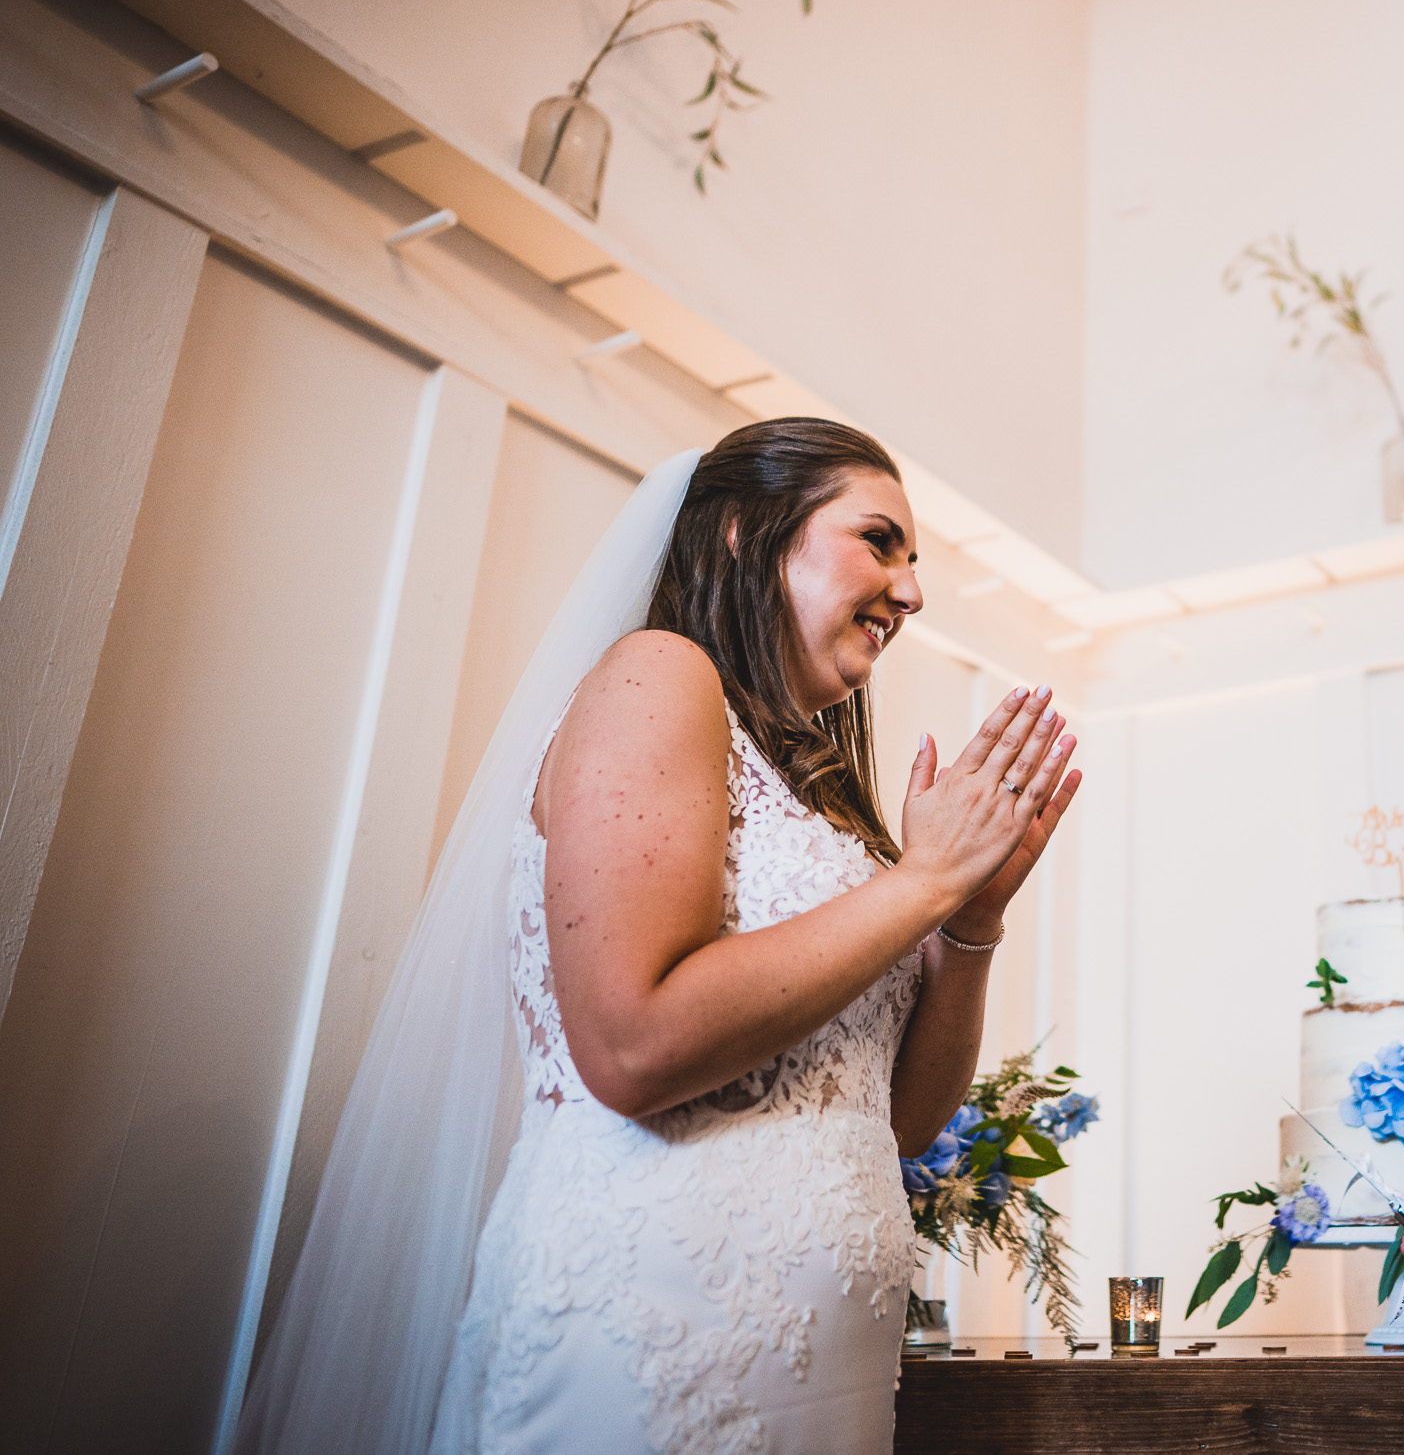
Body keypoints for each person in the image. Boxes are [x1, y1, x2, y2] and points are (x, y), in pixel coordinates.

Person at [240, 419, 1077, 1455]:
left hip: (826, 1376)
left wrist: (969, 918)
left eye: (913, 561)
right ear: (741, 534)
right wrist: (924, 879)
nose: (911, 591)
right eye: (879, 540)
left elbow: (898, 1119)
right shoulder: (655, 677)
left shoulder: (821, 796)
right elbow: (631, 1042)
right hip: (651, 1329)